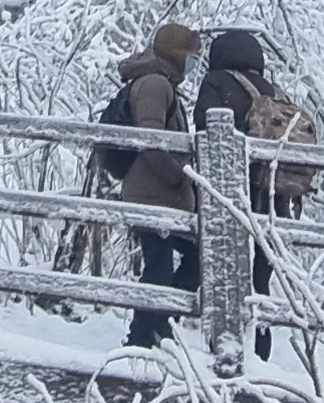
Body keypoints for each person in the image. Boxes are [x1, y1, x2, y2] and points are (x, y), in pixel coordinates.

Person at [191, 28, 299, 359]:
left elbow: (203, 129)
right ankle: (261, 352)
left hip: (233, 194)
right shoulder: (274, 92)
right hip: (273, 196)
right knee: (260, 280)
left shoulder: (216, 83)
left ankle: (223, 346)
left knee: (225, 275)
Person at [105, 22, 201, 347]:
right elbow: (151, 137)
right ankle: (144, 336)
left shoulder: (161, 83)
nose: (193, 62)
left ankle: (157, 327)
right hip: (153, 194)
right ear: (176, 53)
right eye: (190, 55)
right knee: (160, 267)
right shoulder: (155, 84)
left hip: (160, 195)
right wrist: (178, 174)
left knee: (187, 258)